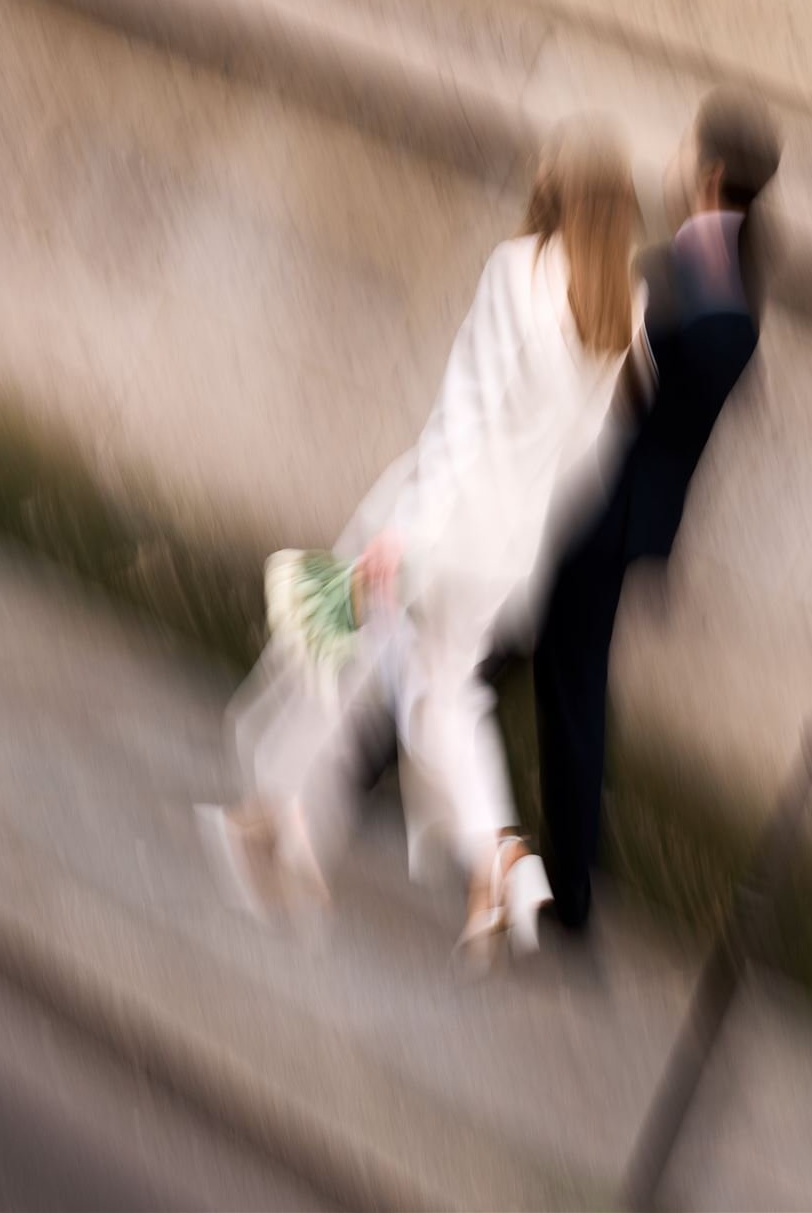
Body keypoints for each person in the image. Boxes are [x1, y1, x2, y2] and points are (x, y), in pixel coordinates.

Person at [196, 126, 643, 974]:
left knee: (336, 647)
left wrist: (406, 534)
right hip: (507, 551)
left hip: (433, 521)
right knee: (442, 700)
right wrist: (519, 546)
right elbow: (583, 463)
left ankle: (279, 817)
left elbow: (462, 420)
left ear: (559, 185)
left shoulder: (519, 271)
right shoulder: (623, 309)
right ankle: (494, 857)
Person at [533, 90, 782, 934]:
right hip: (627, 521)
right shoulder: (739, 294)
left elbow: (608, 387)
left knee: (551, 676)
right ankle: (565, 888)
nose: (670, 161)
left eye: (683, 149)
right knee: (538, 665)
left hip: (589, 511)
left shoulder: (681, 278)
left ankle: (569, 897)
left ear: (708, 174)